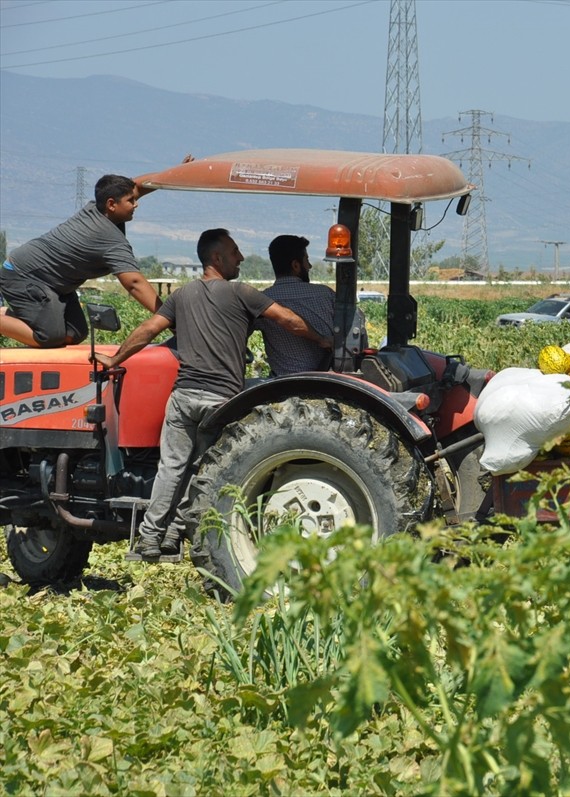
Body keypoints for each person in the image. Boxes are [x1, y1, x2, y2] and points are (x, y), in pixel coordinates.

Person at [93, 228, 331, 559]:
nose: (241, 258)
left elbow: (148, 330)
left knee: (171, 467)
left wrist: (114, 359)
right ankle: (175, 531)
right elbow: (288, 320)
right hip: (221, 401)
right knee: (200, 469)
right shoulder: (243, 294)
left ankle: (151, 536)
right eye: (235, 252)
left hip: (184, 397)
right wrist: (322, 340)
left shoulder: (181, 296)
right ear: (217, 258)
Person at [1, 174, 161, 347]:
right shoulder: (108, 238)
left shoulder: (97, 208)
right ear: (111, 204)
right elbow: (134, 283)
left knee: (75, 333)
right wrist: (167, 315)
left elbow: (137, 186)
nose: (136, 204)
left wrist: (174, 173)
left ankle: (8, 315)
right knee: (49, 336)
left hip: (55, 283)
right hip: (23, 276)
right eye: (131, 200)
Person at [256, 234, 336, 375]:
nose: (310, 266)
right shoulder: (326, 295)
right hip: (326, 379)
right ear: (296, 265)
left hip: (282, 383)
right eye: (307, 260)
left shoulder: (262, 302)